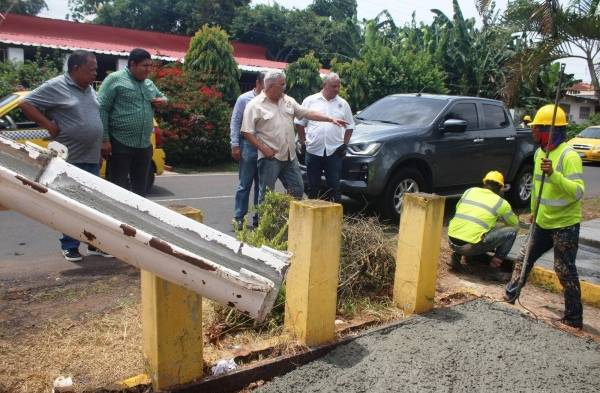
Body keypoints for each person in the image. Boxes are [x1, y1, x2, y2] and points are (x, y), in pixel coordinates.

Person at [19, 50, 112, 261]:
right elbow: (25, 103)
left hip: (90, 155)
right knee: (71, 203)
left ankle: (94, 243)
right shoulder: (56, 86)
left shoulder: (88, 89)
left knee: (92, 203)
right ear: (75, 69)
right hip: (70, 157)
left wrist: (98, 146)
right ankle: (69, 245)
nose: (95, 73)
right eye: (91, 69)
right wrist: (48, 125)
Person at [505, 104, 585, 330]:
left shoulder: (569, 157)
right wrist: (533, 211)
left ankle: (573, 317)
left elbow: (578, 192)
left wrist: (555, 175)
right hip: (542, 221)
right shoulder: (541, 153)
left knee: (564, 270)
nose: (532, 132)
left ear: (549, 130)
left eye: (536, 128)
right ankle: (510, 296)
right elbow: (538, 189)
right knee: (523, 259)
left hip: (564, 225)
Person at [241, 70, 348, 204]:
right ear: (270, 86)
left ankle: (289, 220)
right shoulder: (254, 105)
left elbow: (307, 113)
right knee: (266, 195)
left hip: (290, 157)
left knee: (297, 190)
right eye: (282, 84)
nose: (285, 87)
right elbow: (246, 131)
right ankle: (262, 222)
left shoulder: (288, 101)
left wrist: (330, 118)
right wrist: (264, 149)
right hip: (270, 158)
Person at [98, 48, 167, 196]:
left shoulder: (148, 83)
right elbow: (102, 108)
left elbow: (163, 97)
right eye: (145, 66)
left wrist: (162, 101)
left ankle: (137, 217)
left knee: (141, 189)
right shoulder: (115, 79)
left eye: (150, 65)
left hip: (144, 145)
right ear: (132, 64)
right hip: (120, 143)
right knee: (118, 188)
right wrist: (104, 139)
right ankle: (116, 218)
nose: (149, 70)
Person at [295, 73, 354, 202]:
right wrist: (303, 141)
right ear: (324, 85)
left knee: (334, 186)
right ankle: (312, 216)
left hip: (334, 151)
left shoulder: (343, 104)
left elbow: (350, 127)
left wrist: (345, 144)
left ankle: (334, 218)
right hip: (313, 150)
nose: (337, 89)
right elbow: (299, 123)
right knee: (313, 186)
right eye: (334, 86)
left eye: (338, 86)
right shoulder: (310, 101)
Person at [447, 171, 519, 275]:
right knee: (511, 232)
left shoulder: (469, 191)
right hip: (469, 247)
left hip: (450, 241)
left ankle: (456, 257)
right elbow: (515, 224)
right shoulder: (501, 203)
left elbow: (458, 209)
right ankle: (493, 269)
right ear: (500, 188)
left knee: (469, 225)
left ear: (484, 183)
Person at [231, 72, 264, 229]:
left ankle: (259, 217)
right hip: (248, 146)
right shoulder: (244, 99)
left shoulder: (271, 100)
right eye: (266, 84)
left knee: (262, 185)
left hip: (265, 147)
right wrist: (235, 145)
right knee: (245, 184)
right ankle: (239, 217)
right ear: (258, 82)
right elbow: (236, 122)